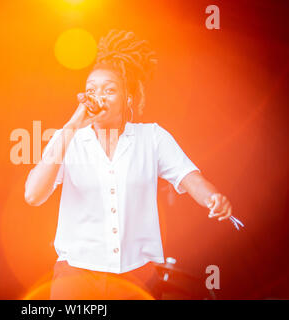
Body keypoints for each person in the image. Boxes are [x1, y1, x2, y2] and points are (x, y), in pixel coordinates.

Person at [24, 30, 233, 299]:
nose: (98, 97)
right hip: (75, 276)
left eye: (109, 90)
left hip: (136, 276)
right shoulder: (69, 139)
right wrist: (73, 125)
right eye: (91, 90)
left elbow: (189, 178)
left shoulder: (152, 137)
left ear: (128, 99)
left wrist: (213, 197)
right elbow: (33, 194)